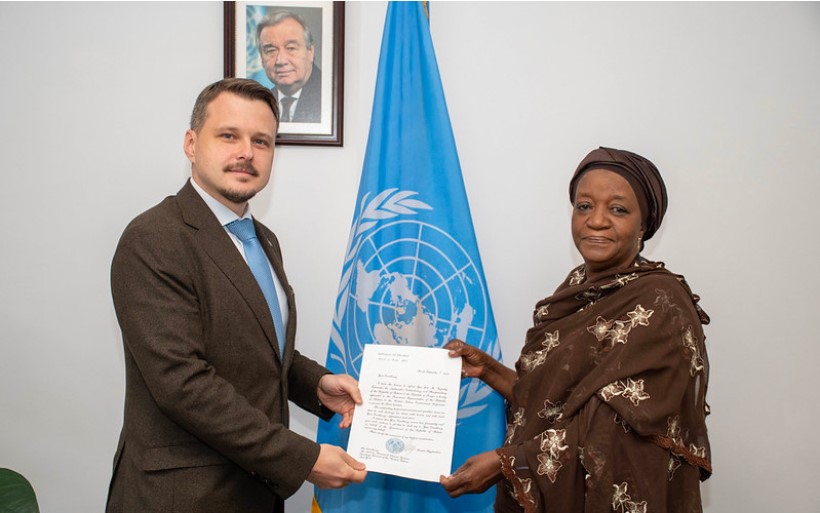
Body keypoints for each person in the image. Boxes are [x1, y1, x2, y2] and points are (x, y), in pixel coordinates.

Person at [106, 78, 366, 513]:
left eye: (261, 141)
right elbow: (183, 384)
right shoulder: (153, 238)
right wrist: (302, 459)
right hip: (184, 498)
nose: (247, 152)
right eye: (229, 135)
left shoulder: (262, 239)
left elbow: (256, 348)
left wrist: (317, 385)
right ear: (191, 144)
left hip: (255, 492)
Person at [440, 147, 712, 512]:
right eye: (584, 206)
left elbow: (617, 429)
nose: (596, 221)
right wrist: (488, 370)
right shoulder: (578, 288)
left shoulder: (661, 303)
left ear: (644, 225)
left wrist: (510, 463)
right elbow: (555, 403)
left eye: (618, 209)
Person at [256, 11, 321, 123]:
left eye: (291, 48)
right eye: (271, 51)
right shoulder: (259, 104)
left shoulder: (330, 96)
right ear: (261, 58)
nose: (280, 60)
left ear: (310, 52)